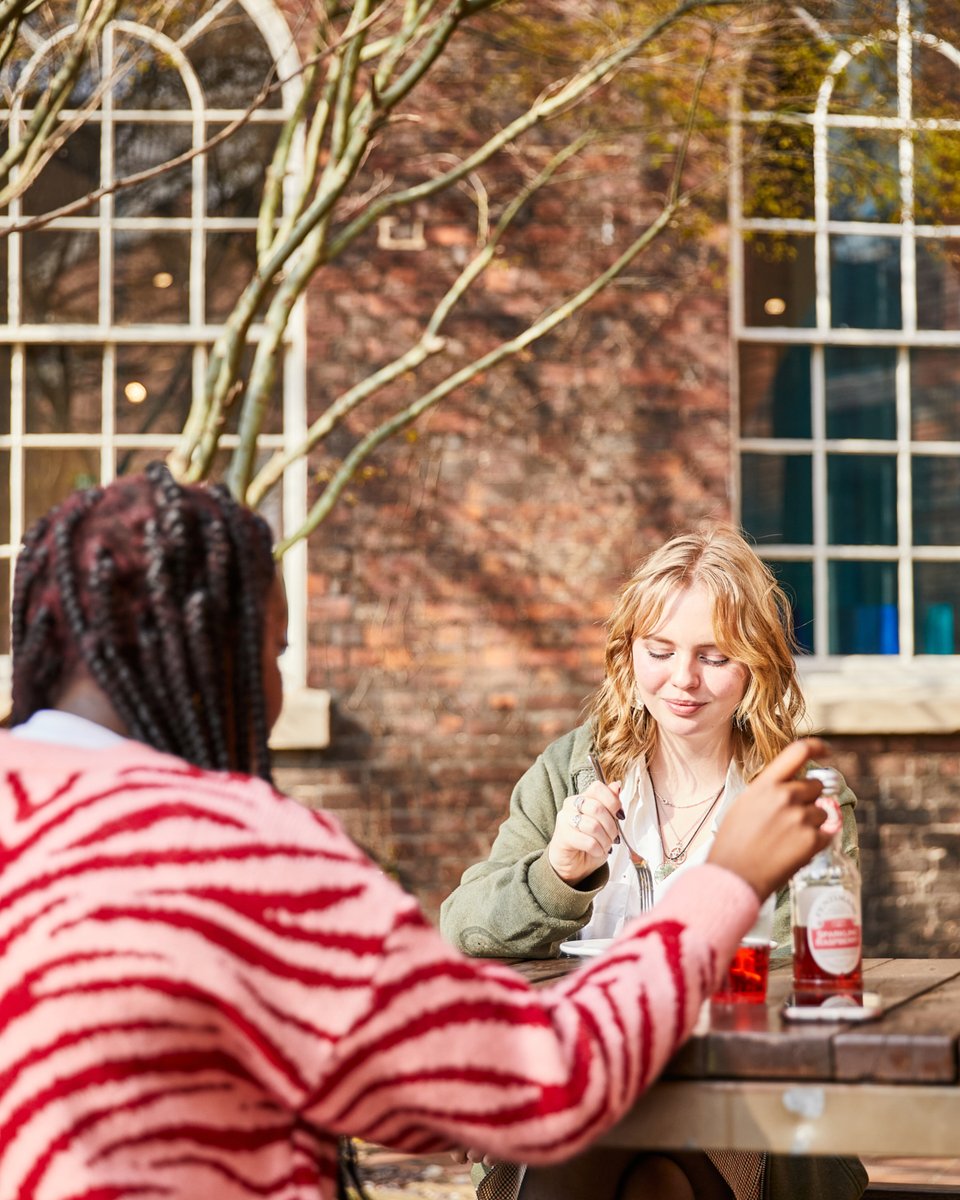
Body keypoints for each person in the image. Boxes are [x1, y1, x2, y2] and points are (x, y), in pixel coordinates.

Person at [0, 472, 833, 1200]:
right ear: (221, 659)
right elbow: (538, 1078)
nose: (277, 692)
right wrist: (726, 880)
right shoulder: (248, 855)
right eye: (278, 653)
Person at [440, 524, 867, 1200]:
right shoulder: (573, 769)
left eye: (714, 656)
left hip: (739, 1111)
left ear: (757, 664)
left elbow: (798, 982)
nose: (683, 680)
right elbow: (462, 928)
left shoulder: (795, 795)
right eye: (660, 651)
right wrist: (558, 874)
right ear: (628, 653)